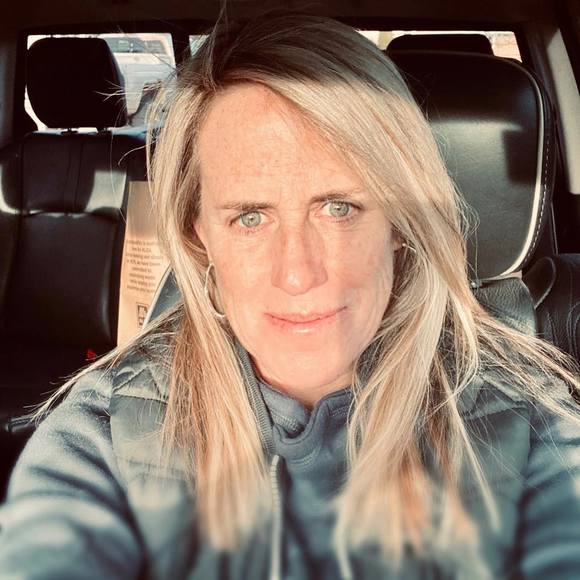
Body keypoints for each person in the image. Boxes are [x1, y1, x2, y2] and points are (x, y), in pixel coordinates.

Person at [1, 13, 580, 580]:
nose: (299, 274)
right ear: (200, 235)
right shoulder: (106, 433)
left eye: (339, 208)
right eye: (250, 217)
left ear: (400, 223)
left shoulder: (531, 429)